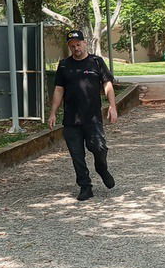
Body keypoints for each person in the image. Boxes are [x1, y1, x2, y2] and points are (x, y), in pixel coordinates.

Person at [47, 30, 118, 201]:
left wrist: (112, 106)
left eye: (78, 44)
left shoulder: (96, 62)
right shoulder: (64, 65)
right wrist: (53, 113)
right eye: (72, 45)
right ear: (69, 46)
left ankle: (101, 168)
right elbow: (58, 89)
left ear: (84, 43)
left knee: (99, 148)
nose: (76, 48)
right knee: (77, 155)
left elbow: (107, 84)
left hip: (92, 118)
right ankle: (85, 186)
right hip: (71, 119)